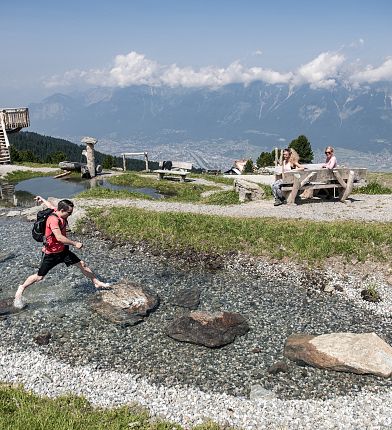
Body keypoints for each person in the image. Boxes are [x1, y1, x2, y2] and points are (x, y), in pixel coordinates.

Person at [13, 196, 110, 309]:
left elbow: (49, 205)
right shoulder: (53, 220)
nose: (70, 215)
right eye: (69, 213)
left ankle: (96, 282)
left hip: (62, 250)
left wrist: (42, 199)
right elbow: (59, 237)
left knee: (81, 264)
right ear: (62, 210)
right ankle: (22, 287)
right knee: (39, 277)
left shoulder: (57, 210)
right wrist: (75, 243)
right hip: (51, 253)